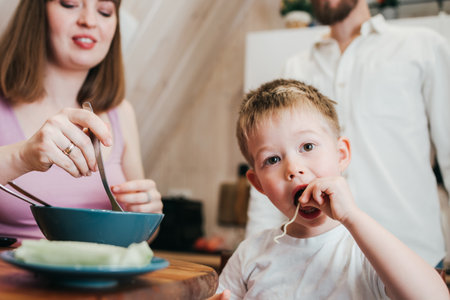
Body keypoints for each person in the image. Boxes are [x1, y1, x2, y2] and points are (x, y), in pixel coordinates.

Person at [245, 0, 450, 268]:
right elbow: (269, 169)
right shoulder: (295, 67)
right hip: (320, 265)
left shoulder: (423, 47)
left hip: (413, 255)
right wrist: (253, 256)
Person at [213, 79, 449, 299]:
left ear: (341, 154)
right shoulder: (250, 253)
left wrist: (352, 217)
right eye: (273, 160)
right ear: (258, 184)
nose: (293, 169)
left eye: (307, 146)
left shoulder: (368, 248)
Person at [0, 0, 162, 240]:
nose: (89, 20)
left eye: (105, 11)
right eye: (70, 4)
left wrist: (149, 214)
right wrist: (21, 157)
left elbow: (144, 235)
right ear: (36, 12)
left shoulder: (122, 113)